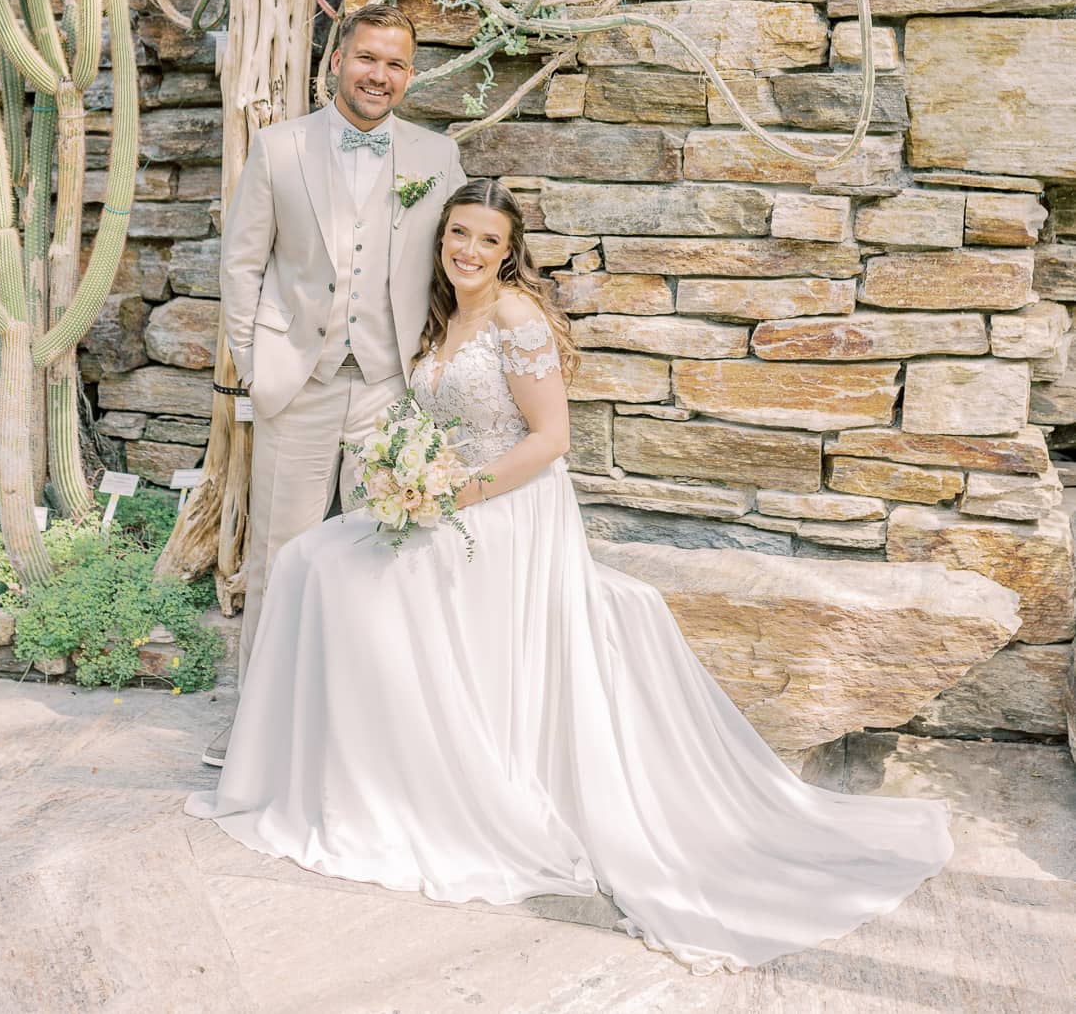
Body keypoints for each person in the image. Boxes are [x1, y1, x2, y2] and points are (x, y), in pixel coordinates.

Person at [187, 178, 954, 973]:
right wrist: (407, 480)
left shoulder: (517, 318)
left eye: (486, 239)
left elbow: (549, 439)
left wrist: (449, 494)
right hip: (446, 498)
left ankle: (412, 787)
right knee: (310, 558)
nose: (468, 250)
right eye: (458, 233)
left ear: (509, 250)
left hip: (509, 508)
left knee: (356, 583)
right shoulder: (446, 317)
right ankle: (330, 777)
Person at [206, 2, 464, 766]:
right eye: (367, 58)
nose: (379, 74)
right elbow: (242, 264)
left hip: (390, 385)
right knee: (280, 556)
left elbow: (457, 265)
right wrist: (256, 367)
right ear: (337, 60)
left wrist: (435, 370)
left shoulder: (436, 156)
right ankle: (257, 727)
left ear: (409, 75)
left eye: (395, 63)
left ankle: (365, 733)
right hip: (301, 382)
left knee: (383, 553)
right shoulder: (280, 148)